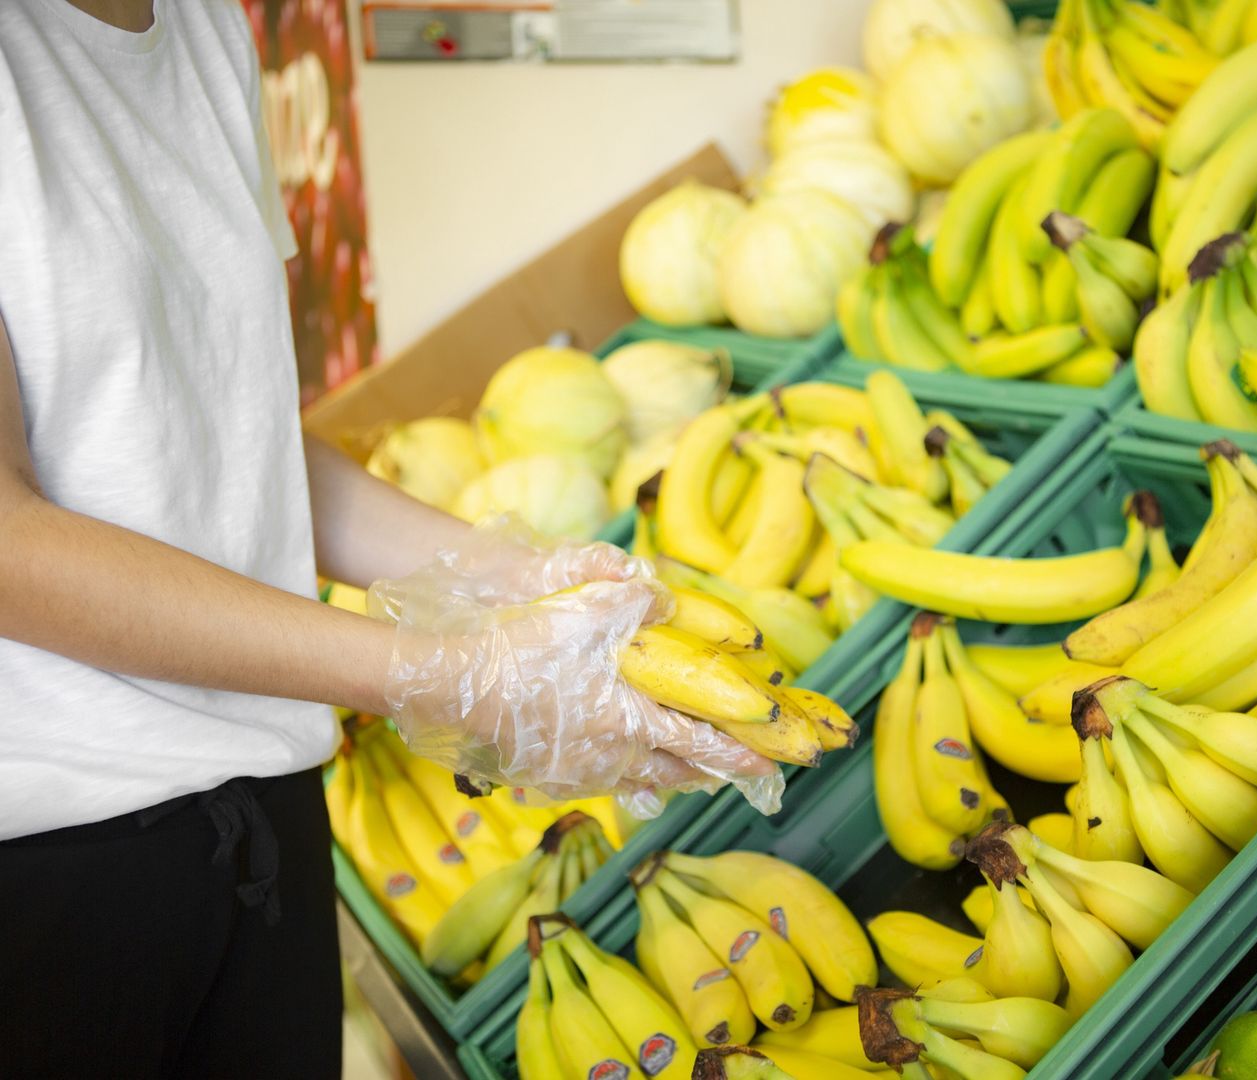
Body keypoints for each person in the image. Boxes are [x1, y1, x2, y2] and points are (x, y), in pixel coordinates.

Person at [0, 2, 769, 1075]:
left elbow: (232, 436)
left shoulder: (206, 28)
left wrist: (511, 573)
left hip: (263, 823)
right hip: (50, 880)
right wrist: (449, 675)